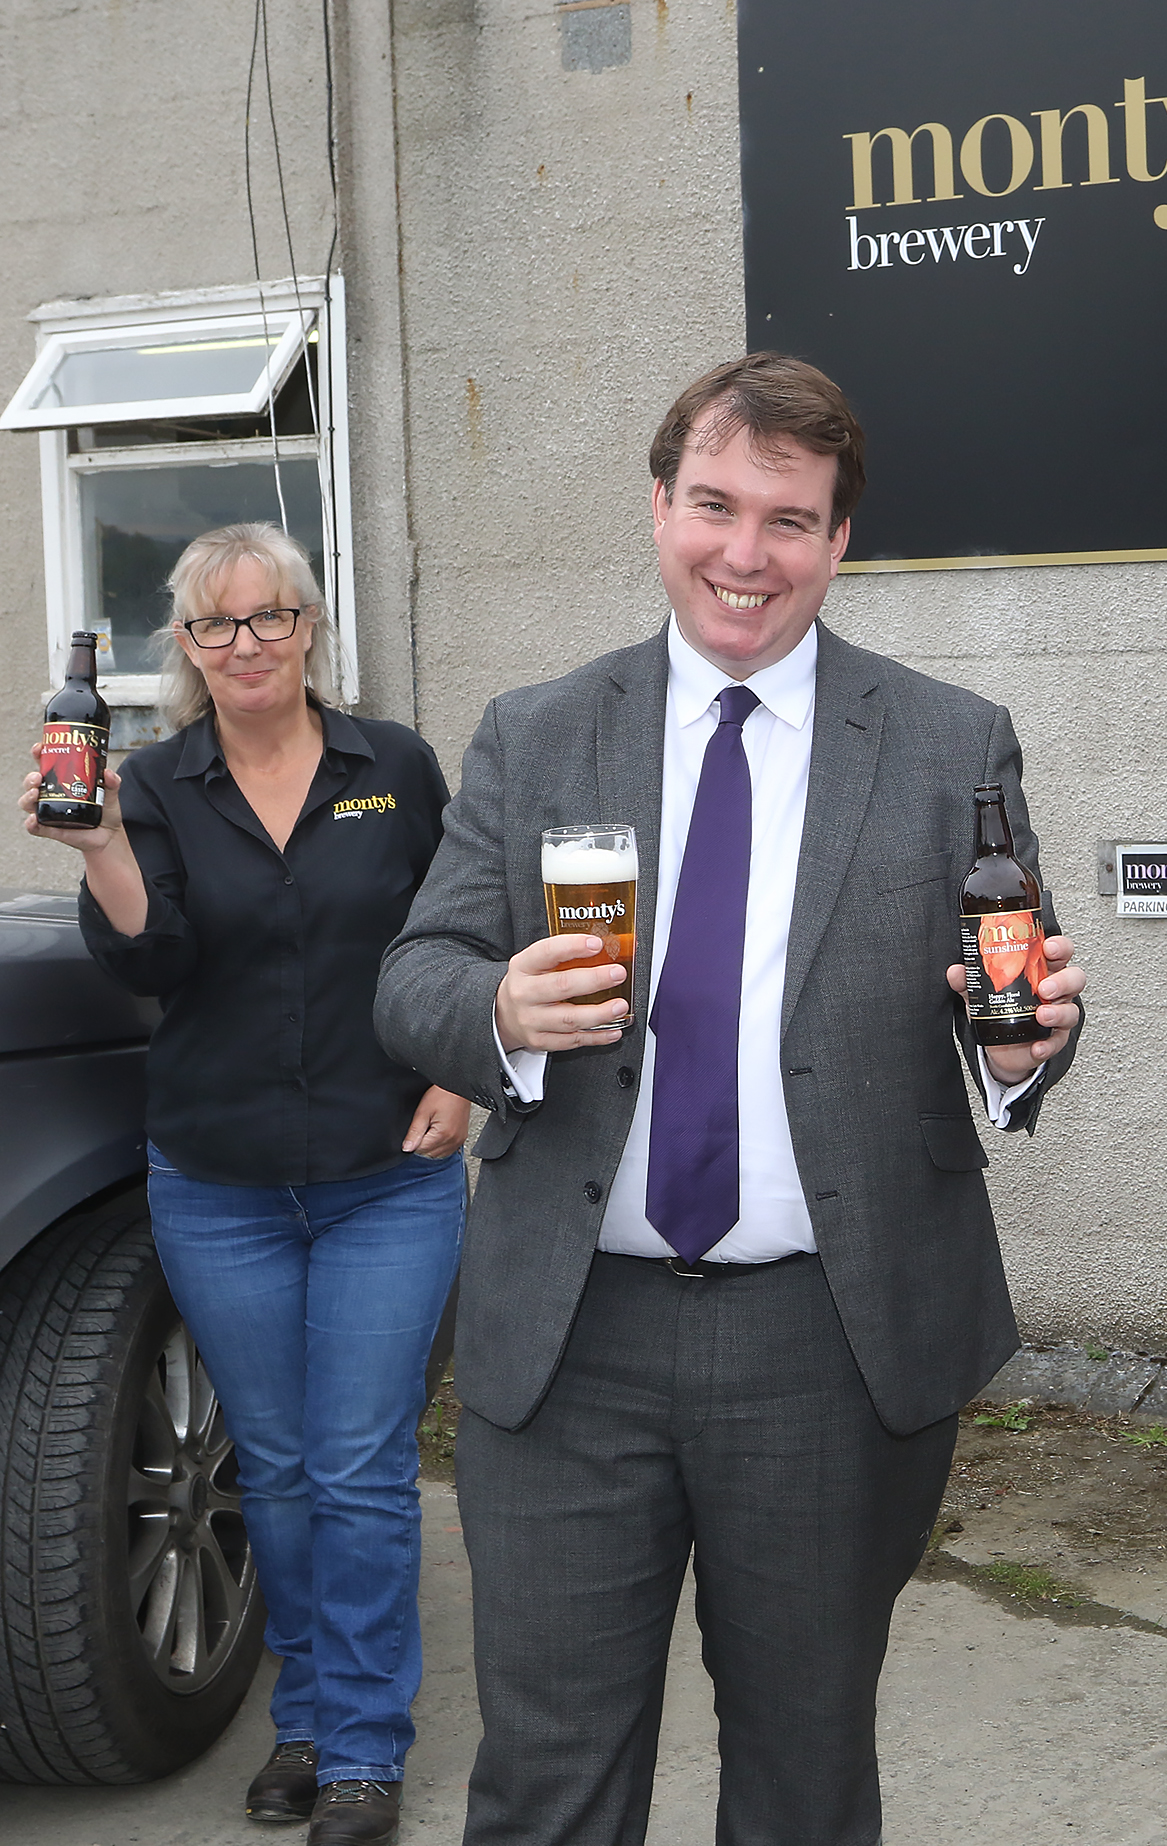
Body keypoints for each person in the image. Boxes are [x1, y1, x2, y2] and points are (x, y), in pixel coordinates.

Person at [374, 353, 1086, 1846]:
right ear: (658, 506)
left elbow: (1004, 984)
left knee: (805, 1776)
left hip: (825, 1340)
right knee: (547, 1782)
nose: (742, 553)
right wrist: (497, 1007)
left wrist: (1017, 1057)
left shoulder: (951, 740)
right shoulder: (538, 727)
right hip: (570, 1339)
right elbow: (414, 972)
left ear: (839, 540)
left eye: (788, 518)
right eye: (713, 503)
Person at [18, 523, 471, 1846]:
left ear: (311, 624)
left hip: (391, 1173)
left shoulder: (395, 769)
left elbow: (456, 928)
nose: (248, 644)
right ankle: (313, 1713)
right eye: (218, 626)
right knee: (273, 1471)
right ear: (188, 648)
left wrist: (464, 1070)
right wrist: (101, 843)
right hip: (217, 1183)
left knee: (362, 1469)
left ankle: (365, 1749)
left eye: (270, 615)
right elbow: (149, 963)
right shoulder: (153, 784)